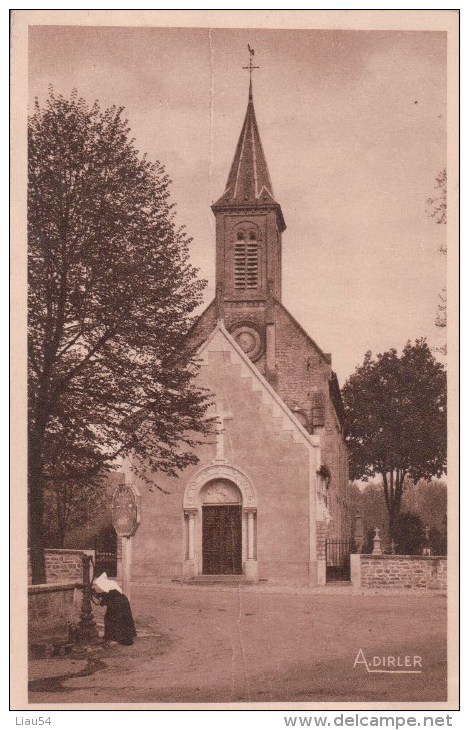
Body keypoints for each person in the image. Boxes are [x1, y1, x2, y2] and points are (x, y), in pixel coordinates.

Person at [92, 572, 137, 646]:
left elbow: (107, 596)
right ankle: (119, 637)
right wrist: (97, 594)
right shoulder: (111, 584)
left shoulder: (110, 587)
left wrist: (97, 596)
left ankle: (117, 637)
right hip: (121, 602)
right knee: (120, 619)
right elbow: (106, 594)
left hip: (118, 604)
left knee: (112, 618)